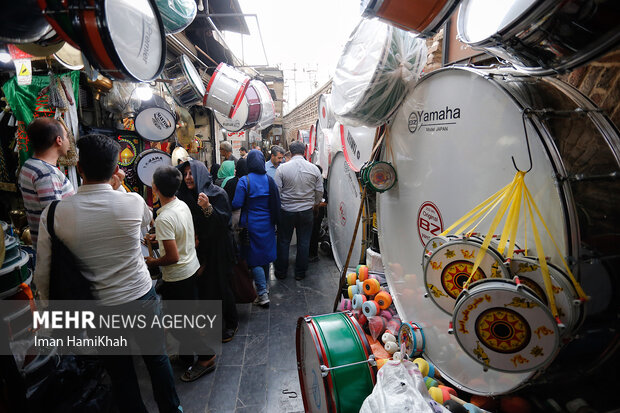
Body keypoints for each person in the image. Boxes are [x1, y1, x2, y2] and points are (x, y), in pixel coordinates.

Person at [34, 134, 182, 413]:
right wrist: (118, 188)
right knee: (157, 359)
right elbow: (147, 221)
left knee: (120, 370)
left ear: (79, 169)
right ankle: (172, 409)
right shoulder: (133, 202)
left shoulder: (54, 214)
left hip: (101, 308)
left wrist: (46, 311)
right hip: (140, 297)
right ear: (117, 170)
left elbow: (44, 272)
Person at [146, 165, 216, 382]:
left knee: (179, 325)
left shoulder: (164, 218)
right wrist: (160, 239)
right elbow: (185, 235)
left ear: (154, 188)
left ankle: (206, 357)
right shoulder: (182, 204)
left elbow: (172, 257)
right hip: (191, 268)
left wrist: (153, 260)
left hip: (178, 274)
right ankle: (186, 356)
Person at [176, 159, 239, 342]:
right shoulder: (184, 196)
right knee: (205, 287)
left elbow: (223, 223)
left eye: (191, 173)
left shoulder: (217, 194)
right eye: (185, 174)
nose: (188, 178)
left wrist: (208, 208)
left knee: (221, 285)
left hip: (219, 248)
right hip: (198, 247)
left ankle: (231, 322)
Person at [232, 150, 280, 307]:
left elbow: (237, 203)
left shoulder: (244, 181)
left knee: (254, 260)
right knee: (264, 257)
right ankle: (264, 287)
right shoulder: (269, 180)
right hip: (267, 224)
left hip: (250, 225)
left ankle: (262, 294)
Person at [18, 117, 74, 248]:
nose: (68, 141)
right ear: (59, 140)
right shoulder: (47, 174)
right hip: (55, 251)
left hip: (44, 247)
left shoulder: (29, 165)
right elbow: (55, 220)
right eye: (66, 136)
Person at [274, 141, 323, 280]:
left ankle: (281, 272)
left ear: (290, 151)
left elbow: (277, 192)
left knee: (283, 241)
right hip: (306, 210)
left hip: (286, 210)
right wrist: (315, 203)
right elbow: (319, 191)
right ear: (304, 151)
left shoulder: (282, 169)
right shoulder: (314, 169)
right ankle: (300, 273)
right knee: (304, 241)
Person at [309, 165, 328, 262]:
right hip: (309, 213)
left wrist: (315, 205)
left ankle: (313, 255)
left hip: (316, 214)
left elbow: (325, 202)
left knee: (314, 233)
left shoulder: (321, 185)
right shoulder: (309, 183)